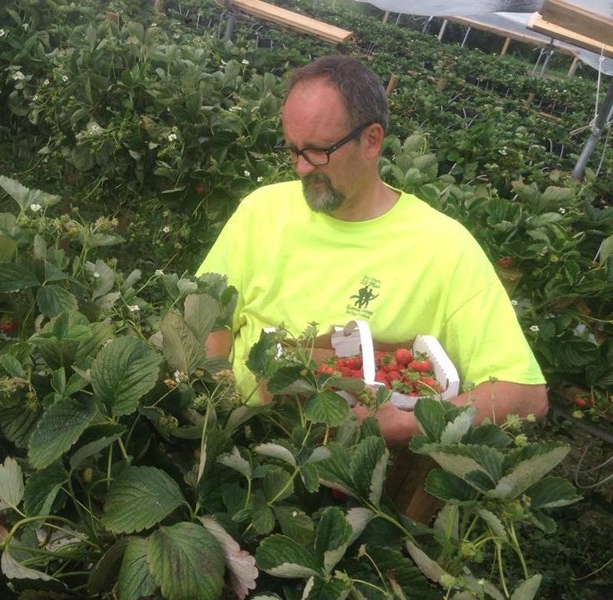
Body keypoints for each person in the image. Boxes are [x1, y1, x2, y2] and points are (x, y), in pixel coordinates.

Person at [196, 55, 547, 446]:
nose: (300, 169)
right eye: (293, 150)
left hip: (347, 471)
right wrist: (219, 407)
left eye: (317, 151)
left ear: (372, 139)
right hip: (239, 443)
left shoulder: (444, 248)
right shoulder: (262, 210)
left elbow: (524, 393)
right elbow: (209, 321)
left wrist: (408, 427)